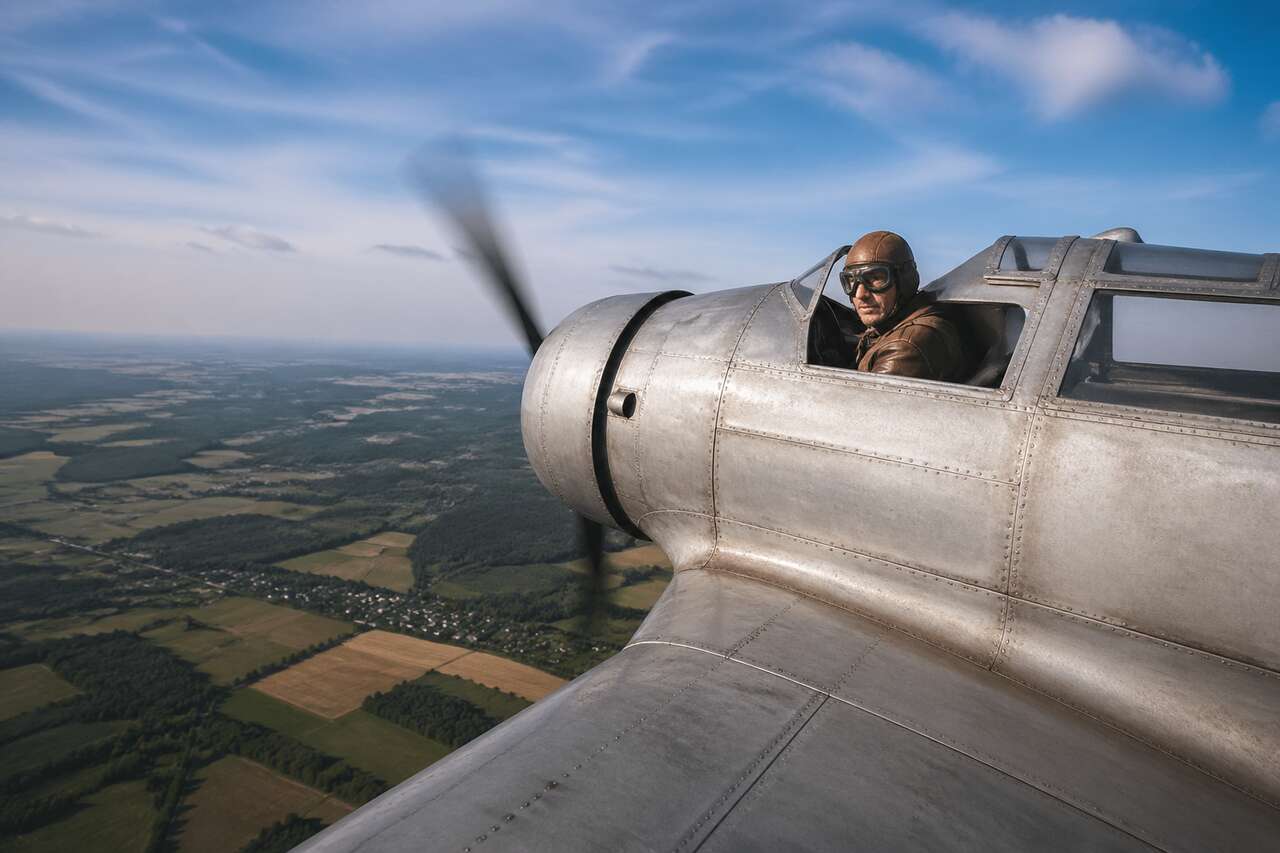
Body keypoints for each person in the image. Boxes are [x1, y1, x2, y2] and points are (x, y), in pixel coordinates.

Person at [841, 230, 968, 381]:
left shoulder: (905, 347)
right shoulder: (899, 324)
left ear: (904, 282)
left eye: (875, 278)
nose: (860, 294)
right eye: (851, 281)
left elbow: (862, 402)